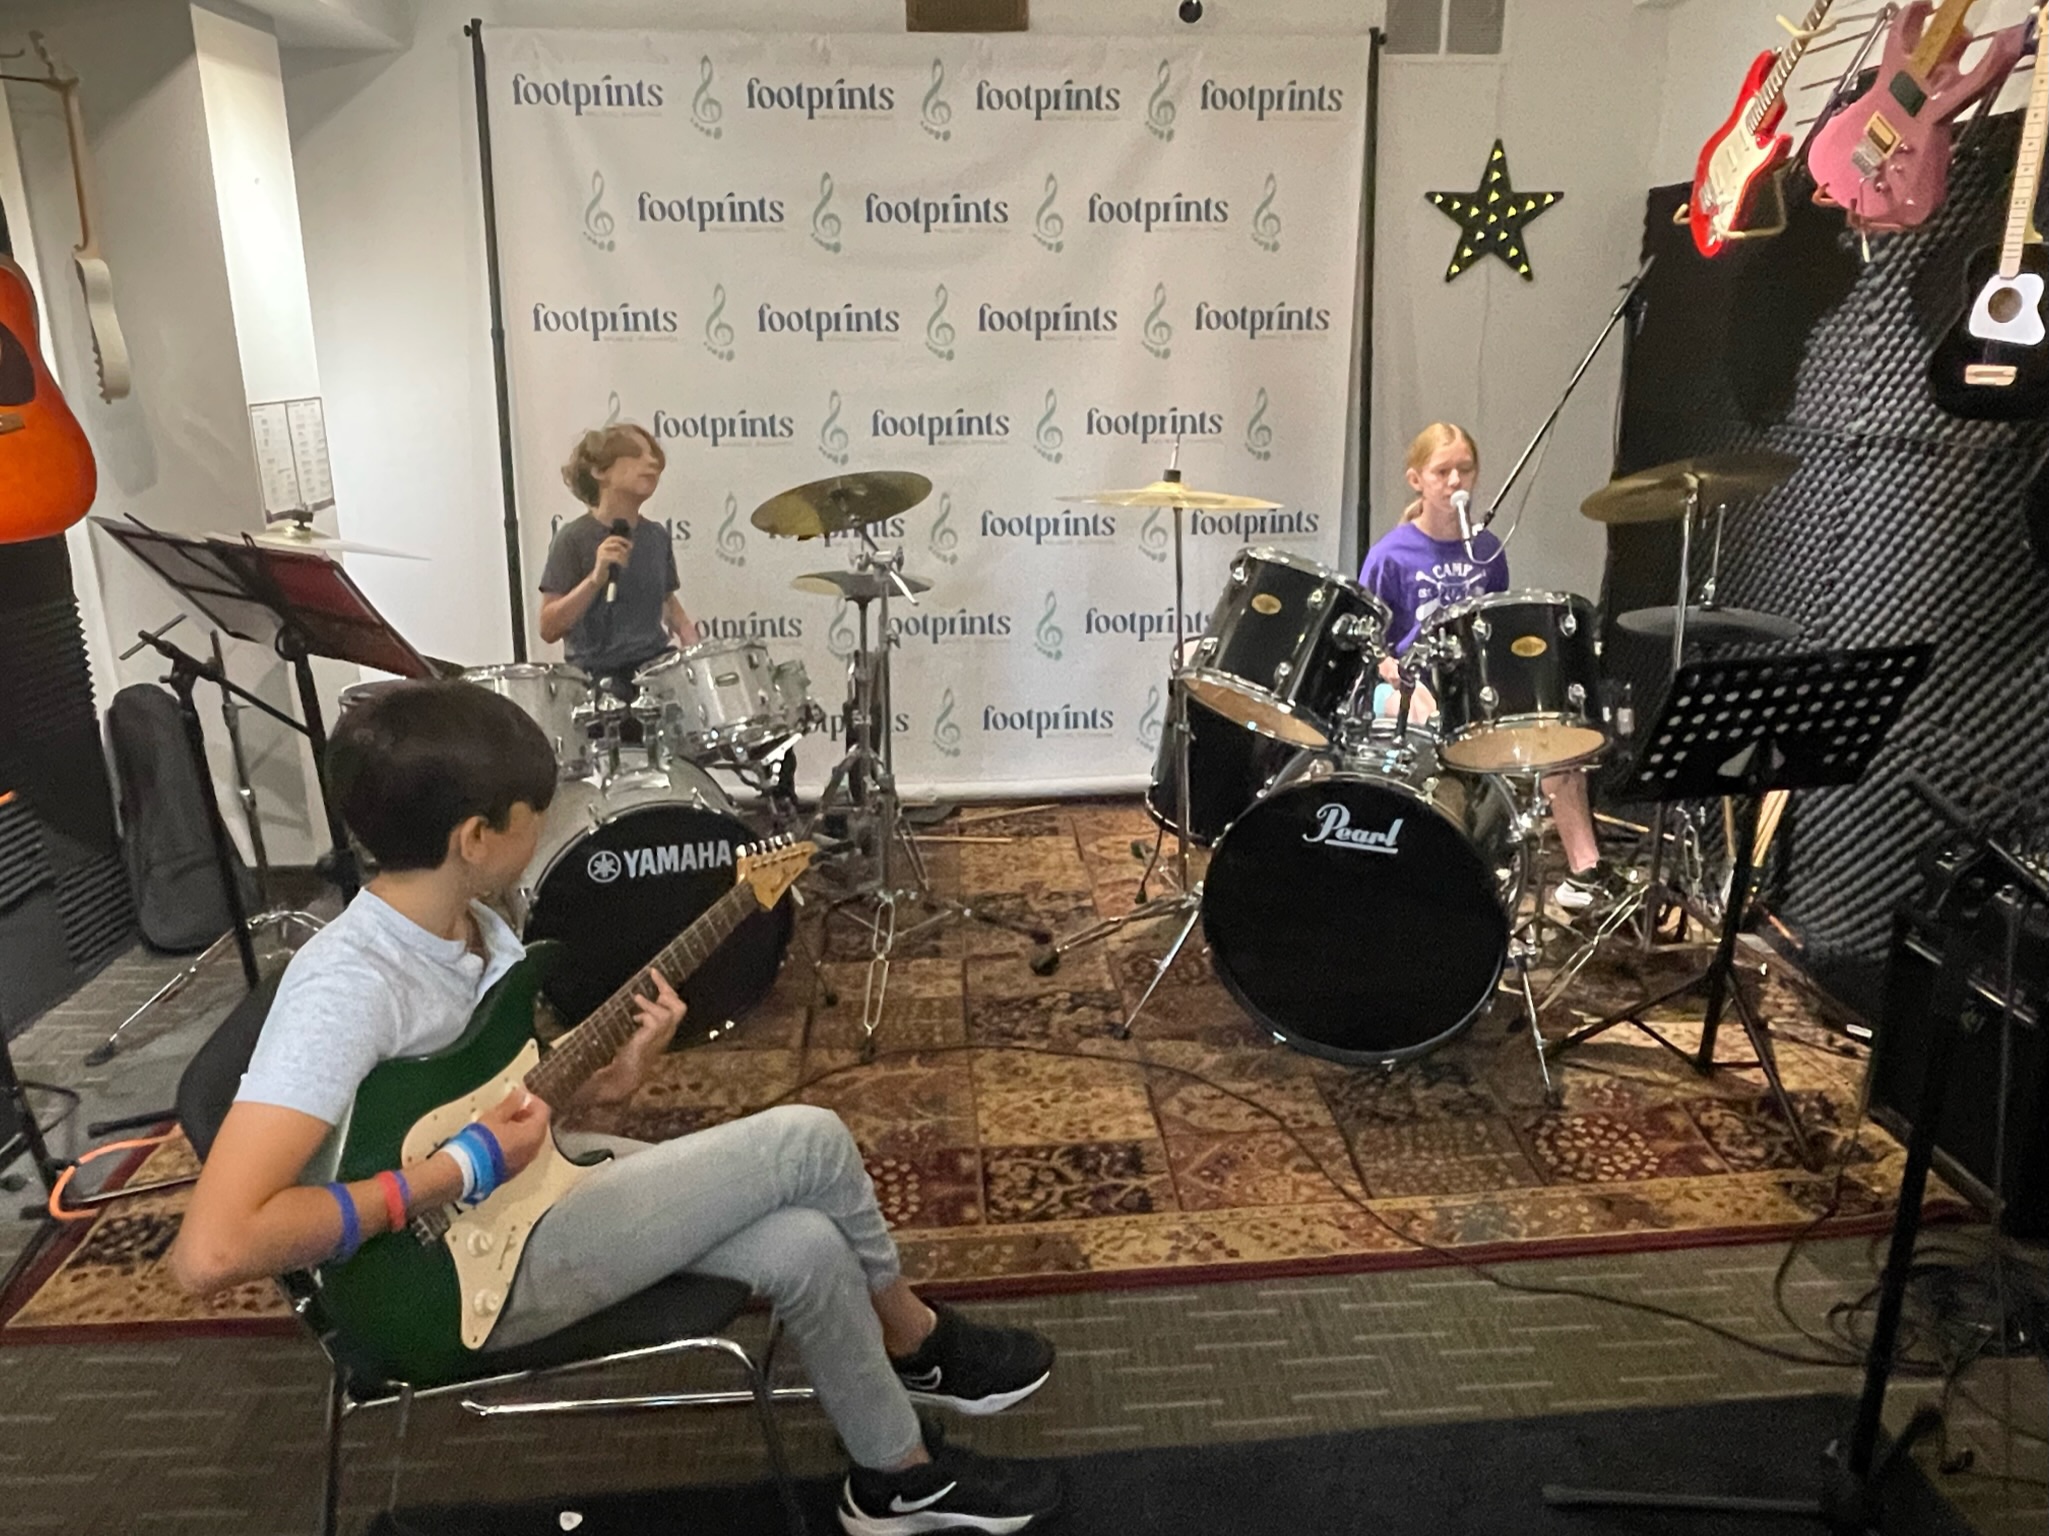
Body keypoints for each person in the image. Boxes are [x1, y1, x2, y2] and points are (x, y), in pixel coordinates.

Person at [169, 682, 1062, 1536]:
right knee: (810, 1139)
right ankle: (919, 1341)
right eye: (535, 812)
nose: (547, 825)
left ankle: (897, 1478)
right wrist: (456, 1171)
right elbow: (213, 1250)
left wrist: (605, 1083)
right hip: (443, 1286)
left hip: (518, 1201)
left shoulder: (476, 926)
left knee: (807, 1245)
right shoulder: (346, 988)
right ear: (476, 836)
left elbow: (487, 1104)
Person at [1359, 422, 1635, 914]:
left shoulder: (1487, 552)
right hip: (1408, 685)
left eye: (1465, 470)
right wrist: (1400, 679)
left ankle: (1584, 873)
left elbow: (1494, 633)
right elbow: (1369, 646)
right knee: (1421, 727)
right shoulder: (1389, 555)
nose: (1455, 482)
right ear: (1416, 480)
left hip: (1475, 690)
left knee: (1556, 736)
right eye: (1441, 472)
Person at [538, 424, 701, 694]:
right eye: (636, 454)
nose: (652, 462)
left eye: (654, 456)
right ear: (599, 471)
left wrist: (691, 640)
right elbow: (548, 628)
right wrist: (594, 580)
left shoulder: (656, 536)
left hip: (655, 676)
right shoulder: (572, 538)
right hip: (598, 683)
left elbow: (666, 600)